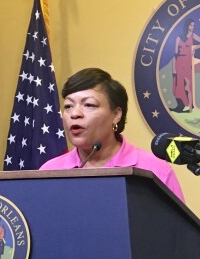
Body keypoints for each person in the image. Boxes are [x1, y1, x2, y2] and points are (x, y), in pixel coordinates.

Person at [40, 67, 185, 202]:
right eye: (68, 106)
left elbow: (177, 228)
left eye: (89, 105)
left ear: (116, 115)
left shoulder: (154, 169)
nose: (75, 114)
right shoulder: (50, 171)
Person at [172, 19, 200, 113]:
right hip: (179, 62)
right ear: (187, 26)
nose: (192, 27)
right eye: (191, 25)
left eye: (193, 25)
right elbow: (175, 53)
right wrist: (174, 68)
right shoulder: (179, 38)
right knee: (180, 85)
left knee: (188, 86)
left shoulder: (193, 36)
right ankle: (183, 105)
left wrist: (194, 48)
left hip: (188, 62)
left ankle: (190, 108)